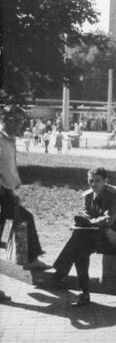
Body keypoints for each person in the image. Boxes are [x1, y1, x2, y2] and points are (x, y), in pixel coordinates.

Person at [53, 167, 116, 307]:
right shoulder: (87, 196)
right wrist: (92, 224)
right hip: (94, 235)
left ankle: (61, 270)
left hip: (112, 236)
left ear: (106, 181)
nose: (93, 184)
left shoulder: (115, 194)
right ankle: (84, 293)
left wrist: (93, 224)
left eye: (97, 181)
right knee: (79, 249)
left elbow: (108, 220)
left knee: (79, 237)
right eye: (90, 181)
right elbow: (87, 219)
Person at [0, 105, 50, 270]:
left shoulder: (9, 139)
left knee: (24, 218)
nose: (22, 125)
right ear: (8, 120)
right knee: (24, 218)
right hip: (1, 192)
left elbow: (9, 167)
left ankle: (30, 258)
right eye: (19, 121)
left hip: (8, 191)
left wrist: (14, 188)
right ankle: (31, 259)